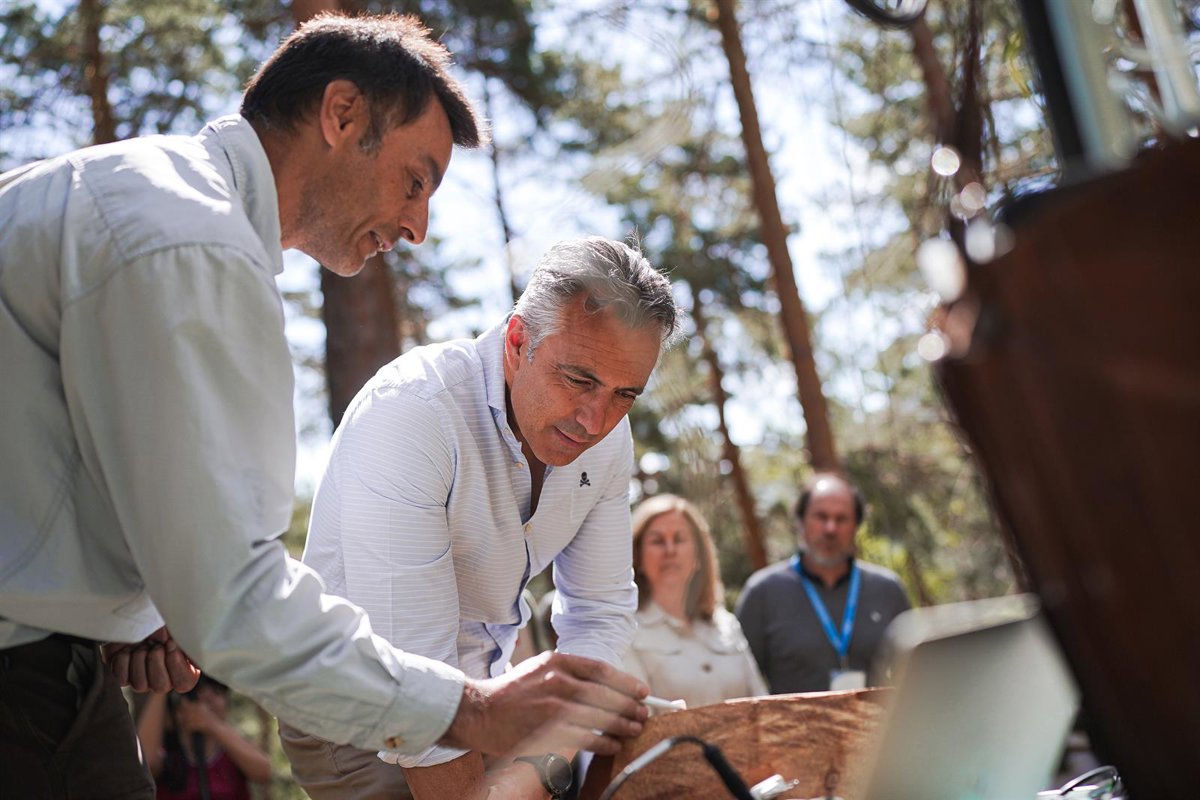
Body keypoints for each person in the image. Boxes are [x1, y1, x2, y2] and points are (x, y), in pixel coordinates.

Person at [0, 14, 647, 799]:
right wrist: (473, 711)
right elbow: (233, 595)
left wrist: (134, 610)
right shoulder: (187, 240)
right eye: (415, 180)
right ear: (341, 114)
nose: (417, 227)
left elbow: (55, 472)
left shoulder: (154, 205)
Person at [279, 237, 682, 800]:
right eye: (579, 380)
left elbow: (600, 612)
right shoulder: (412, 412)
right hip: (363, 713)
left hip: (490, 702)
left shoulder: (609, 439)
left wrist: (542, 763)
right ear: (518, 342)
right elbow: (409, 676)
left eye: (625, 395)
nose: (595, 421)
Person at [735, 473, 911, 694]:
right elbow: (740, 684)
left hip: (877, 718)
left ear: (856, 526)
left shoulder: (888, 590)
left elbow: (915, 676)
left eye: (841, 519)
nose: (830, 529)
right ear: (800, 522)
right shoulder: (762, 592)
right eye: (821, 517)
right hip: (791, 718)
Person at [622, 495, 767, 709]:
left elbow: (762, 705)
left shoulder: (726, 625)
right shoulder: (626, 632)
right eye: (657, 541)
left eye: (679, 539)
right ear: (637, 556)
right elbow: (638, 717)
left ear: (699, 554)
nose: (670, 550)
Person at [136, 676, 271, 800]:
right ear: (176, 711)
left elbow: (264, 771)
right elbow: (144, 765)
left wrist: (212, 724)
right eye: (199, 691)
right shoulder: (167, 757)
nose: (207, 697)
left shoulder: (234, 755)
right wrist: (161, 689)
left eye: (217, 691)